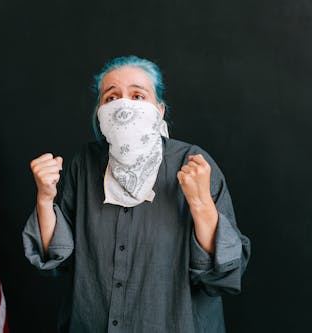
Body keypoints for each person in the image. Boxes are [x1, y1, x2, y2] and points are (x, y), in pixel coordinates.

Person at [23, 55, 251, 333]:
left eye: (138, 95)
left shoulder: (193, 162)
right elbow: (59, 259)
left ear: (160, 109)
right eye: (111, 97)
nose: (124, 105)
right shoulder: (84, 164)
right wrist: (45, 198)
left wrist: (200, 202)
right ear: (100, 113)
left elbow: (224, 274)